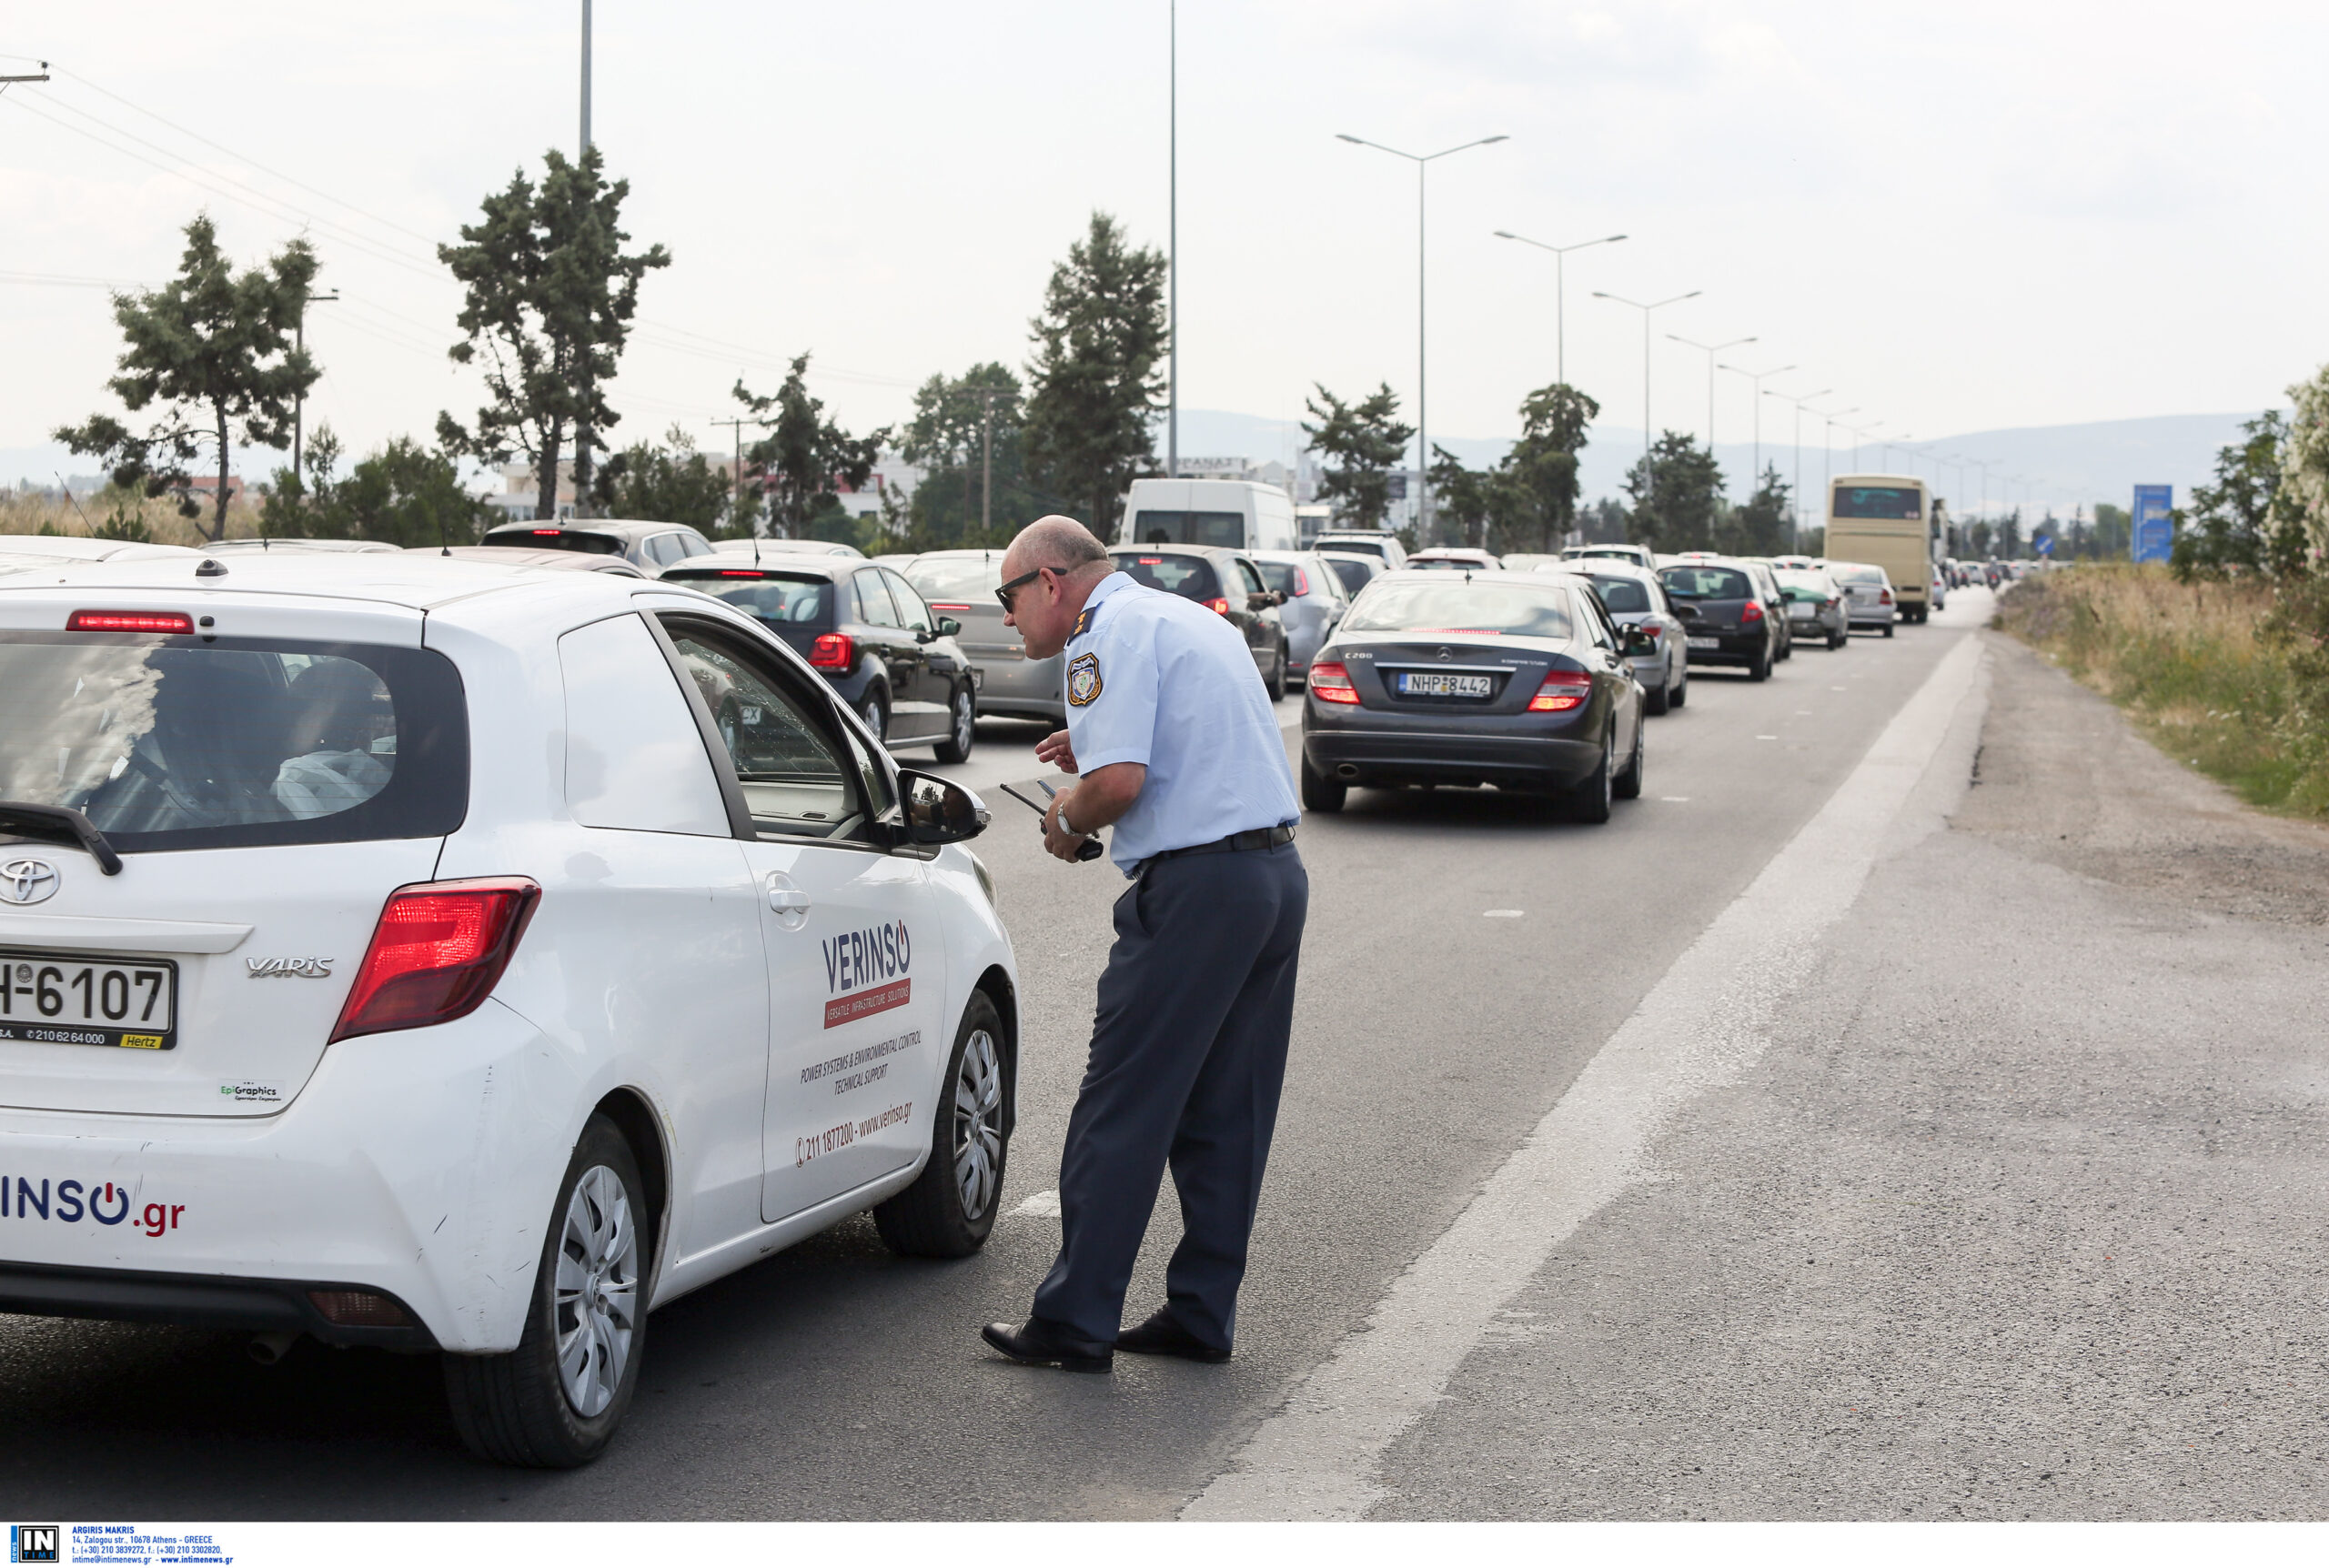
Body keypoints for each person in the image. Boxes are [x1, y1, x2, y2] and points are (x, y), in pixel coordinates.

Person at [980, 516, 1306, 1374]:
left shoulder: (1101, 637)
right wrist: (1092, 747)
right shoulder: (1187, 616)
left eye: (1008, 598)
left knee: (1121, 1105)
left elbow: (1120, 786)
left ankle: (1075, 1321)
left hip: (1197, 891)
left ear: (1051, 581)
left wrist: (1063, 816)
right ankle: (1202, 1312)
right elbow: (1187, 743)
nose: (1007, 618)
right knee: (1226, 1113)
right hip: (1271, 878)